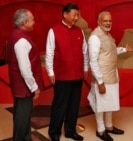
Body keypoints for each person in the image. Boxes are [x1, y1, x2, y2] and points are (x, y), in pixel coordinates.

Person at [87, 11, 133, 141]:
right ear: (98, 22)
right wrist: (100, 82)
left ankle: (109, 127)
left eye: (110, 21)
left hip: (112, 76)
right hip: (102, 78)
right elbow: (93, 61)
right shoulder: (95, 37)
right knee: (101, 105)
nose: (108, 23)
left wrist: (124, 49)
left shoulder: (107, 35)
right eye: (105, 21)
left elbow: (109, 52)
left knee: (109, 104)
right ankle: (101, 130)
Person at [45, 3, 88, 141]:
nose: (76, 18)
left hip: (77, 75)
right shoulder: (54, 30)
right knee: (59, 105)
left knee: (74, 105)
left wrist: (85, 68)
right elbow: (49, 52)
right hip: (62, 76)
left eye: (78, 15)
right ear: (65, 14)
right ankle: (54, 132)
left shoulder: (79, 31)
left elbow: (84, 52)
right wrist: (50, 72)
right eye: (74, 15)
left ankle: (70, 131)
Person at [8, 9, 44, 141]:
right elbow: (24, 68)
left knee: (22, 116)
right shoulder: (21, 40)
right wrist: (34, 87)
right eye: (32, 19)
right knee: (22, 118)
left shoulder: (17, 34)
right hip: (23, 87)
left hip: (20, 86)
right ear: (25, 22)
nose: (34, 22)